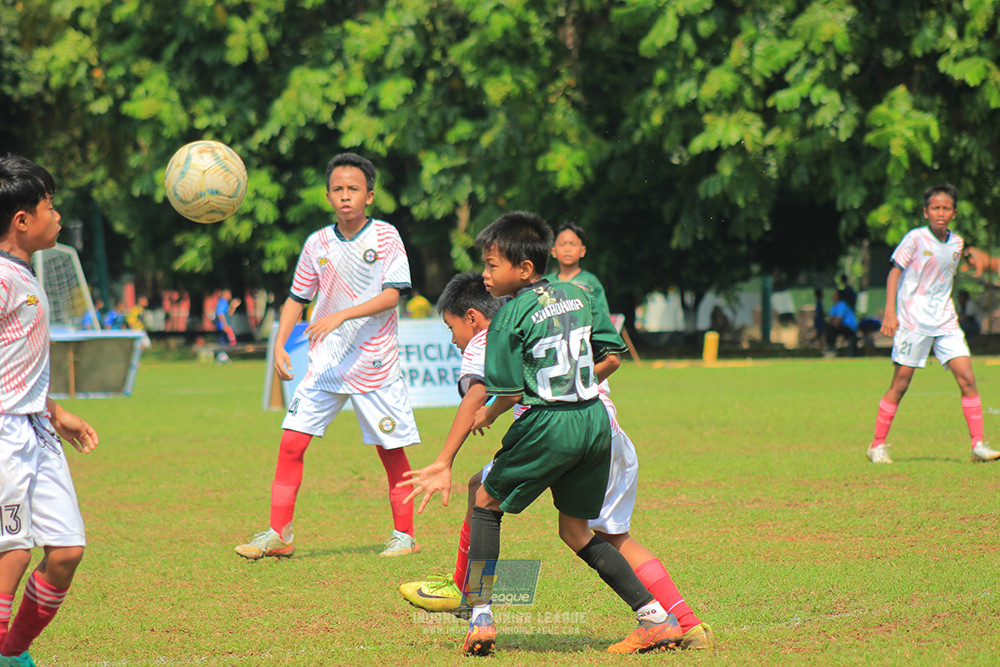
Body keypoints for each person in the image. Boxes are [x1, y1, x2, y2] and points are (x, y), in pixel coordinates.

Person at [397, 272, 714, 651]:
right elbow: (612, 357)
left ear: (472, 318)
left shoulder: (493, 333)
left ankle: (475, 604)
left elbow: (479, 390)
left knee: (485, 496)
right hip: (603, 430)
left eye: (451, 328)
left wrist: (445, 458)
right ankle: (683, 622)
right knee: (590, 532)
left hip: (553, 433)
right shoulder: (568, 304)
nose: (451, 339)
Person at [235, 152, 422, 559]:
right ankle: (279, 534)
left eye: (353, 189)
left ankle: (404, 535)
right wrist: (281, 344)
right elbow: (296, 298)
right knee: (291, 443)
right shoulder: (316, 243)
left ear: (369, 195)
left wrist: (341, 315)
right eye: (337, 189)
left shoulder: (386, 237)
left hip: (375, 362)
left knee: (391, 451)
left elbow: (393, 294)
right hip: (325, 364)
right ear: (327, 195)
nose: (345, 196)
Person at [0, 155, 99, 666]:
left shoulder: (23, 273)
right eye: (49, 206)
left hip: (36, 428)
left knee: (65, 552)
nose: (57, 216)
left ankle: (13, 653)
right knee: (12, 551)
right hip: (4, 437)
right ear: (22, 220)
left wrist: (54, 410)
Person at [867, 184, 1000, 464]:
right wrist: (890, 314)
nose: (941, 213)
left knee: (967, 378)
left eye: (946, 208)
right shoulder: (915, 239)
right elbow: (894, 274)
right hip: (913, 321)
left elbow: (949, 268)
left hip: (945, 321)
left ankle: (978, 445)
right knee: (900, 384)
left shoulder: (958, 244)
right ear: (926, 211)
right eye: (936, 208)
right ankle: (877, 445)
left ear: (954, 211)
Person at [544, 222, 609, 314]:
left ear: (582, 251)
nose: (567, 249)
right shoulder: (546, 284)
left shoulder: (590, 282)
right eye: (562, 244)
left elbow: (602, 316)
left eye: (573, 244)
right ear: (553, 251)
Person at [825, 290, 858, 356]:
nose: (832, 295)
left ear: (838, 296)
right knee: (828, 327)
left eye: (834, 294)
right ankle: (830, 347)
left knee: (831, 328)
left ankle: (831, 348)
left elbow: (838, 320)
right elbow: (830, 319)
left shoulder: (842, 304)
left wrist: (833, 320)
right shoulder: (834, 306)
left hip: (850, 327)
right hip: (841, 326)